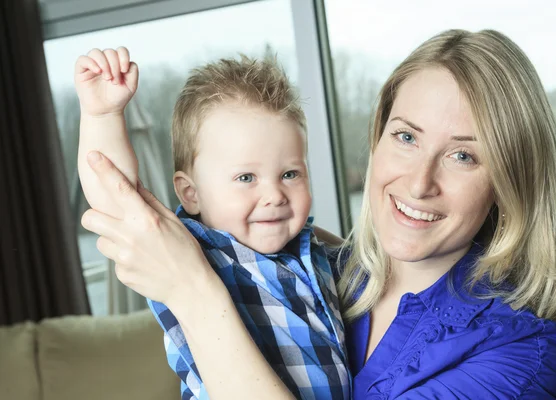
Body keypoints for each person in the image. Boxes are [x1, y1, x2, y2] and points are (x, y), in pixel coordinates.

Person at [80, 29, 556, 399]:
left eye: (464, 155)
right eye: (406, 137)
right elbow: (118, 200)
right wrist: (103, 115)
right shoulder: (329, 267)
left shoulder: (520, 357)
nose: (420, 182)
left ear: (510, 181)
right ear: (376, 140)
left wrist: (193, 292)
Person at [74, 50, 350, 399]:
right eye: (246, 177)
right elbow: (117, 197)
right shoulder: (195, 250)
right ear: (191, 194)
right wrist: (103, 115)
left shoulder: (315, 252)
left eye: (290, 174)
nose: (274, 195)